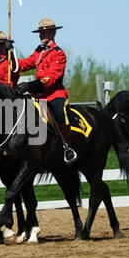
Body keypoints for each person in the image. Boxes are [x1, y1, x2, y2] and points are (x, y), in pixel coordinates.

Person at [15, 17, 76, 164]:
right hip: (37, 95)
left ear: (52, 33)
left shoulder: (58, 53)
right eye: (40, 33)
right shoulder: (38, 51)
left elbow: (52, 77)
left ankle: (67, 147)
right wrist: (10, 54)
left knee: (60, 114)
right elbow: (23, 65)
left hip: (54, 94)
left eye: (44, 32)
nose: (41, 35)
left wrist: (31, 85)